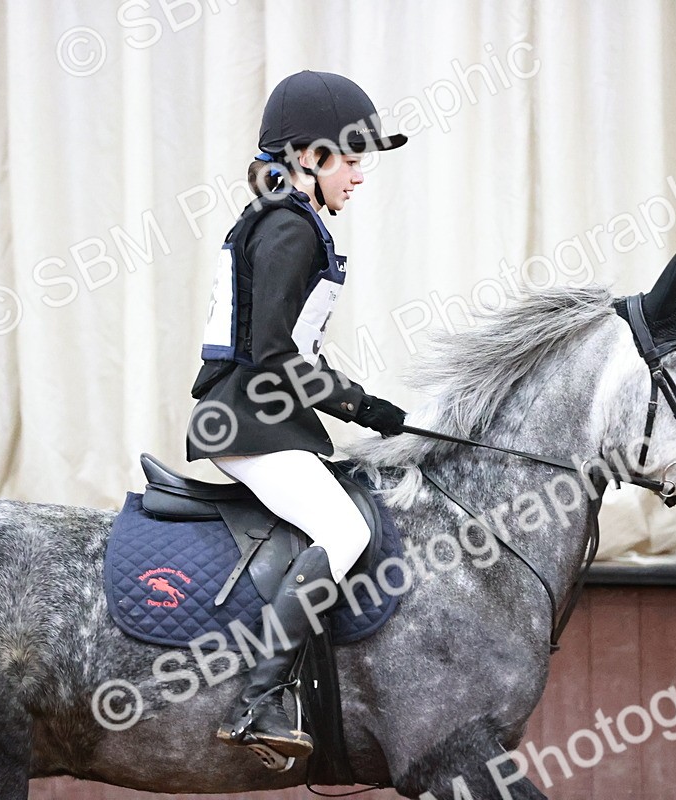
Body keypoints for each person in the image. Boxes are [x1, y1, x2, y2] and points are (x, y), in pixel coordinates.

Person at [185, 71, 409, 759]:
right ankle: (258, 702)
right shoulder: (287, 225)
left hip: (263, 417)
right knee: (343, 531)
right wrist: (358, 403)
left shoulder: (287, 218)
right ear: (308, 157)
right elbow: (273, 354)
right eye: (350, 157)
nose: (360, 176)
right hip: (248, 421)